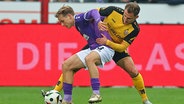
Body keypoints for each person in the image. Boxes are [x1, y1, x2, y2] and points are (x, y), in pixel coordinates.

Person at [44, 2, 152, 104]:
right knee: (70, 65)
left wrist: (108, 42)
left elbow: (123, 47)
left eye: (129, 19)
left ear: (136, 18)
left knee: (133, 71)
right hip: (98, 41)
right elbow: (95, 11)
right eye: (124, 16)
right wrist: (98, 21)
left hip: (114, 46)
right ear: (123, 11)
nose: (125, 19)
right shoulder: (112, 10)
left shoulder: (135, 29)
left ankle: (145, 100)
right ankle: (55, 92)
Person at [53, 5, 114, 104]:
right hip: (94, 49)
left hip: (106, 48)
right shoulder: (77, 24)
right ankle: (67, 100)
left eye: (62, 21)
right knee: (66, 65)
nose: (62, 24)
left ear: (69, 16)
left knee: (89, 59)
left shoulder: (79, 18)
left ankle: (96, 93)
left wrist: (98, 21)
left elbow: (93, 11)